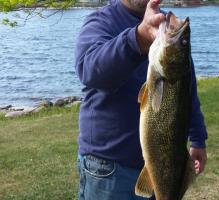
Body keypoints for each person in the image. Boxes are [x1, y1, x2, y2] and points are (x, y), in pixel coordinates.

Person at [74, 0, 208, 199]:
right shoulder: (102, 20)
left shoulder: (163, 26)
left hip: (166, 165)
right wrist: (137, 38)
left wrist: (198, 138)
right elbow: (89, 71)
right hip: (108, 168)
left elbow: (186, 89)